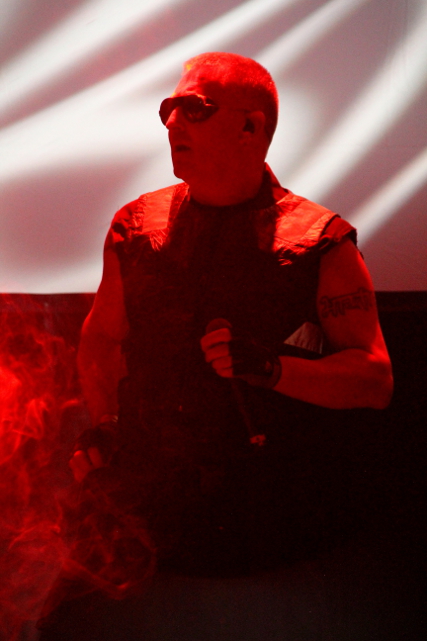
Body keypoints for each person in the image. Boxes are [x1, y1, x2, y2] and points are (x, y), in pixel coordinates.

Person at [44, 51, 393, 637]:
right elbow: (101, 338)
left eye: (194, 109)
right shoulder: (135, 227)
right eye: (167, 109)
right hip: (155, 531)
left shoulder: (320, 241)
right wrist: (106, 425)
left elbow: (375, 379)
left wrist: (273, 369)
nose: (172, 122)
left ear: (251, 127)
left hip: (275, 531)